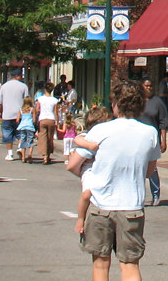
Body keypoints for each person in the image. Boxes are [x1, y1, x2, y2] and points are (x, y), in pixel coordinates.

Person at [67, 82, 160, 281]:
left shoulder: (100, 130)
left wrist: (89, 172)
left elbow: (74, 164)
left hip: (101, 205)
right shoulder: (150, 133)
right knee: (130, 265)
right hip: (132, 206)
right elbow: (149, 171)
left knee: (100, 264)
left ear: (116, 104)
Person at [68, 105, 113, 237]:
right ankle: (80, 218)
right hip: (88, 168)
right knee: (87, 193)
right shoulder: (89, 136)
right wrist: (89, 145)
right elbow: (77, 139)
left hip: (100, 169)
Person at [137, 77, 168, 206]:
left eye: (150, 86)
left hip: (152, 139)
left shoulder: (157, 102)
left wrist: (163, 140)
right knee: (138, 166)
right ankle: (139, 195)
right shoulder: (136, 101)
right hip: (138, 139)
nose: (149, 88)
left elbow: (163, 122)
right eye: (146, 86)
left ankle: (156, 194)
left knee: (152, 168)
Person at [0, 68, 29, 161]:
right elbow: (27, 101)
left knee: (7, 134)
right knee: (20, 133)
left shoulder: (4, 86)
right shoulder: (23, 86)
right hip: (20, 114)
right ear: (18, 76)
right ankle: (20, 147)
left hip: (7, 114)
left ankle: (10, 154)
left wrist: (1, 112)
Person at [35, 79, 61, 165]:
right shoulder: (54, 100)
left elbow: (37, 110)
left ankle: (44, 156)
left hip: (42, 119)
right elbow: (56, 112)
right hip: (51, 119)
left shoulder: (40, 99)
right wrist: (57, 122)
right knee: (50, 138)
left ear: (45, 89)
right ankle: (48, 154)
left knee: (42, 137)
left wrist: (35, 119)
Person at [16, 96, 37, 163]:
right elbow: (34, 120)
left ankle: (23, 157)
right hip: (30, 126)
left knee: (23, 140)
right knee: (30, 141)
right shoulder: (32, 109)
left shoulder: (21, 109)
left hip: (22, 127)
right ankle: (30, 155)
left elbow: (17, 119)